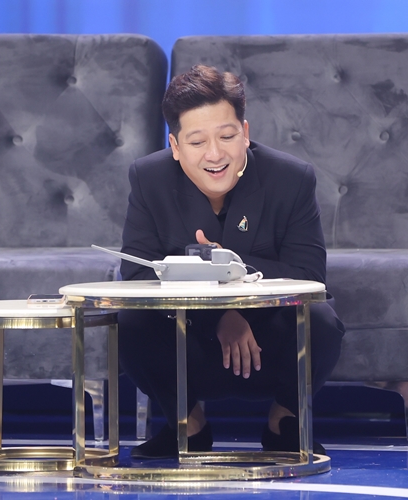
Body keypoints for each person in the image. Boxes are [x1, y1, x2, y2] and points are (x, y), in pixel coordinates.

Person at [118, 65, 345, 459]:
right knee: (130, 322)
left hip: (265, 343)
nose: (215, 154)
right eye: (197, 142)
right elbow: (138, 275)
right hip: (191, 342)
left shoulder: (290, 179)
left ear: (245, 133)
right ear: (175, 146)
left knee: (322, 320)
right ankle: (187, 426)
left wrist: (231, 272)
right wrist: (219, 315)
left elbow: (309, 276)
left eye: (227, 136)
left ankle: (284, 423)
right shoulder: (149, 179)